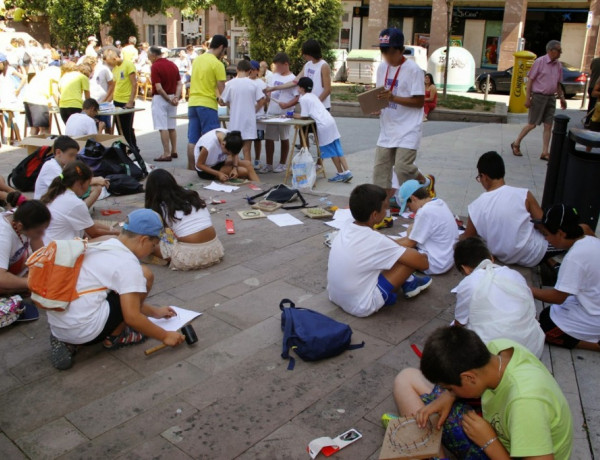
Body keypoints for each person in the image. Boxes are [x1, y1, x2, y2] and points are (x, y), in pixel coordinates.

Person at [391, 327, 573, 459]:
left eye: (450, 388)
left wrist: (489, 442)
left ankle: (428, 451)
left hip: (502, 449)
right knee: (406, 378)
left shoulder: (525, 403)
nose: (448, 392)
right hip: (498, 433)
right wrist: (449, 397)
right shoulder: (497, 349)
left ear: (469, 377)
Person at [46, 208, 187, 370]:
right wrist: (166, 335)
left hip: (58, 320)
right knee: (145, 275)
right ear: (143, 240)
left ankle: (65, 338)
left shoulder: (102, 242)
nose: (151, 251)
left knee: (117, 288)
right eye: (153, 245)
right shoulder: (128, 264)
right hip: (86, 331)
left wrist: (154, 312)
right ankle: (115, 337)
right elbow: (132, 317)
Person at [327, 184, 432, 318]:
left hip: (334, 295)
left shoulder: (348, 224)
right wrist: (418, 253)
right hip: (360, 306)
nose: (387, 211)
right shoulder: (375, 240)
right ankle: (408, 282)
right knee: (408, 261)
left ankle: (409, 281)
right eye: (385, 208)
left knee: (394, 255)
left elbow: (381, 242)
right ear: (375, 215)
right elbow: (423, 264)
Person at [372, 28, 434, 229]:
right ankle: (385, 215)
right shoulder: (382, 68)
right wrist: (375, 106)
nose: (386, 56)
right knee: (380, 172)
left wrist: (392, 98)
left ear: (400, 50)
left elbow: (418, 102)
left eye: (389, 51)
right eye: (383, 51)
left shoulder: (414, 71)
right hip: (387, 128)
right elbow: (381, 95)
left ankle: (425, 183)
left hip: (409, 128)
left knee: (403, 168)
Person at [452, 237, 545, 358]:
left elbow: (460, 323)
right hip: (532, 349)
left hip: (494, 358)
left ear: (465, 269)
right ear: (491, 258)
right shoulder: (515, 275)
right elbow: (532, 312)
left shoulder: (468, 283)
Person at [531, 204, 600, 352]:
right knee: (547, 314)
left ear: (561, 233)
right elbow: (585, 227)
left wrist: (528, 289)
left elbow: (558, 297)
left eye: (547, 234)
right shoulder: (587, 238)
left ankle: (594, 344)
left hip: (595, 315)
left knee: (546, 328)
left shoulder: (575, 257)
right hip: (591, 301)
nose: (547, 239)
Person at [461, 151, 548, 267]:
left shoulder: (475, 206)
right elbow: (544, 225)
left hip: (505, 257)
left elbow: (468, 238)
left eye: (479, 178)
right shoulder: (524, 195)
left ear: (484, 177)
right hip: (533, 254)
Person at [145, 169, 224, 270]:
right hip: (215, 249)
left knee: (147, 245)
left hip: (190, 256)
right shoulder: (191, 196)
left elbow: (154, 234)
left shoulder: (161, 208)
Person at [511, 40, 567, 161]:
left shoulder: (558, 65)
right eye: (559, 50)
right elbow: (530, 80)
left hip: (551, 98)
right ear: (551, 51)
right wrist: (527, 98)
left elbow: (558, 83)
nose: (560, 53)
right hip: (538, 97)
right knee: (532, 124)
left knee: (548, 126)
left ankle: (545, 152)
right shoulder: (540, 62)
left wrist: (562, 98)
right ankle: (516, 143)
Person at [41, 161, 119, 244]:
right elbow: (94, 233)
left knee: (86, 234)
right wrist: (117, 234)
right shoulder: (75, 203)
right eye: (88, 183)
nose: (88, 187)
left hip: (49, 245)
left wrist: (112, 229)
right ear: (80, 183)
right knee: (115, 240)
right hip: (59, 250)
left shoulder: (58, 192)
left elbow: (89, 223)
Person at [294, 77, 352, 182]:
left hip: (323, 125)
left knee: (331, 150)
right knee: (337, 147)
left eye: (298, 87)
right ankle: (347, 171)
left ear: (301, 88)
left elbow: (304, 116)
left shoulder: (303, 99)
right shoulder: (314, 96)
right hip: (330, 121)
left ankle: (340, 173)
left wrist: (292, 115)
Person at [395, 179, 458, 274]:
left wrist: (386, 245)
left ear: (413, 198)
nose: (411, 210)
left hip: (435, 264)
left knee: (394, 253)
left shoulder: (425, 212)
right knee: (396, 243)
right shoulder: (439, 202)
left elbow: (410, 243)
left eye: (409, 206)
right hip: (447, 259)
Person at [186, 35, 228, 170]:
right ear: (221, 47)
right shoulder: (217, 64)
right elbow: (222, 88)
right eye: (224, 50)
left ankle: (191, 168)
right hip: (207, 104)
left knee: (193, 139)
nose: (223, 54)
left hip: (192, 102)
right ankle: (209, 168)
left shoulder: (198, 59)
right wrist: (225, 101)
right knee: (211, 139)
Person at [34, 135, 107, 206]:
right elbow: (68, 184)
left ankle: (79, 209)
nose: (74, 159)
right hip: (46, 207)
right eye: (71, 155)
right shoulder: (51, 166)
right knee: (96, 188)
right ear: (58, 152)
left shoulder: (62, 166)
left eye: (75, 156)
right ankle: (79, 212)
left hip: (56, 200)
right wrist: (94, 180)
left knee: (96, 187)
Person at [0, 197, 50, 297]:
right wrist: (31, 282)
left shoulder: (23, 216)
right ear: (20, 226)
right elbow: (1, 278)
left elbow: (40, 254)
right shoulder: (3, 236)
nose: (42, 234)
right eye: (39, 231)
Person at [258, 52, 298, 173]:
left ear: (286, 64)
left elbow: (297, 98)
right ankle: (269, 164)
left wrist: (287, 105)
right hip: (272, 111)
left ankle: (282, 163)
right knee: (269, 137)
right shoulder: (274, 76)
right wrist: (266, 96)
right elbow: (269, 92)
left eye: (278, 66)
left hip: (285, 114)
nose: (276, 69)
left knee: (284, 137)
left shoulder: (293, 79)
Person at [219, 60, 265, 160]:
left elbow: (222, 101)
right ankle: (248, 172)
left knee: (233, 150)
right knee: (247, 150)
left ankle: (234, 170)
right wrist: (254, 110)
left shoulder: (230, 84)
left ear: (237, 69)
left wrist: (231, 106)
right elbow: (262, 100)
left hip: (235, 122)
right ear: (249, 71)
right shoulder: (254, 84)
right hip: (249, 122)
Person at [266, 39, 331, 111]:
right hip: (309, 105)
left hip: (321, 106)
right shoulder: (307, 65)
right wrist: (273, 88)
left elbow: (327, 90)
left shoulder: (324, 66)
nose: (304, 56)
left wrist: (316, 103)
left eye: (305, 54)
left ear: (311, 53)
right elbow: (294, 82)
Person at [147, 46, 182, 162]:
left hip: (161, 98)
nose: (148, 57)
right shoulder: (172, 64)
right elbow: (179, 83)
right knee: (171, 125)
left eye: (148, 55)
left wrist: (168, 99)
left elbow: (159, 87)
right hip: (172, 95)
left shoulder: (155, 66)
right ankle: (174, 150)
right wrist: (176, 97)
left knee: (162, 127)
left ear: (153, 55)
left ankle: (166, 152)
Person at [104, 49, 139, 153]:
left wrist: (130, 101)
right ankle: (125, 149)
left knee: (126, 128)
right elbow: (115, 86)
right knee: (120, 128)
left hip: (126, 100)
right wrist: (106, 101)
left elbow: (134, 84)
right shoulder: (115, 69)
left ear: (115, 58)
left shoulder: (128, 65)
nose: (110, 65)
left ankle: (132, 148)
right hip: (117, 101)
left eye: (110, 62)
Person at [194, 128, 259, 182]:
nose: (229, 155)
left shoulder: (229, 136)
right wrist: (219, 174)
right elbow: (199, 165)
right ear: (223, 144)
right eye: (228, 153)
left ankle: (260, 188)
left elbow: (234, 154)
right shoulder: (209, 145)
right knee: (243, 171)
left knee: (247, 164)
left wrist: (235, 168)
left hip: (219, 161)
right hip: (206, 169)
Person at [22, 64, 61, 135]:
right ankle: (43, 146)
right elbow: (55, 93)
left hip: (27, 99)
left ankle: (30, 146)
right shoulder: (56, 72)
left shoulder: (44, 73)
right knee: (44, 129)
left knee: (34, 128)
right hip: (38, 100)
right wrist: (61, 106)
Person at [249, 60, 267, 168]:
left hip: (258, 115)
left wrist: (255, 109)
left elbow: (264, 99)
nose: (251, 72)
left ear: (257, 71)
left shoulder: (261, 83)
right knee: (247, 139)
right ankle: (248, 160)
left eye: (253, 70)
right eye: (249, 70)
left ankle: (257, 159)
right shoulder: (244, 81)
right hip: (248, 115)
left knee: (258, 139)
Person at [90, 54, 114, 131]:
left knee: (106, 125)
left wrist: (107, 99)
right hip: (92, 103)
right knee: (94, 126)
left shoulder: (104, 69)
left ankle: (109, 141)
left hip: (103, 103)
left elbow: (112, 85)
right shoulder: (87, 70)